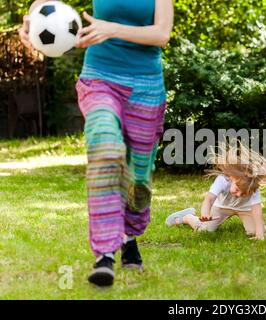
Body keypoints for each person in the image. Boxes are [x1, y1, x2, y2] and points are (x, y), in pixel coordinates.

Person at [20, 0, 174, 287]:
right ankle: (105, 254)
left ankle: (129, 238)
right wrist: (30, 18)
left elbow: (162, 33)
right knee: (104, 148)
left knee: (138, 181)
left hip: (146, 86)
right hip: (100, 78)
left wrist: (112, 29)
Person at [166, 142, 266, 240]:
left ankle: (256, 226)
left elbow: (257, 210)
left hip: (244, 208)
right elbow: (209, 199)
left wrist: (260, 235)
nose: (238, 194)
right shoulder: (223, 180)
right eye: (237, 189)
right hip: (222, 207)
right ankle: (188, 217)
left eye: (244, 193)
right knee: (204, 230)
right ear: (233, 177)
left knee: (256, 230)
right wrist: (205, 214)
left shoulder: (252, 185)